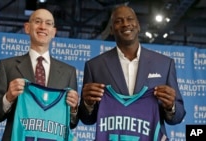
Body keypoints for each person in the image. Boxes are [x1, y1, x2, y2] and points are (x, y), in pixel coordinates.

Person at [78, 5, 186, 140]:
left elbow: (179, 116)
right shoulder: (94, 66)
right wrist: (87, 104)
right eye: (118, 21)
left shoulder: (164, 64)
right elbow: (87, 119)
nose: (126, 24)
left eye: (130, 19)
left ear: (138, 25)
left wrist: (171, 107)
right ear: (111, 29)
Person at [0, 9, 79, 141]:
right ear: (27, 28)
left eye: (48, 23)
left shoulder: (68, 72)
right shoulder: (7, 66)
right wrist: (8, 97)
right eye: (37, 22)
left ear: (54, 32)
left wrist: (74, 109)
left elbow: (72, 123)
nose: (43, 27)